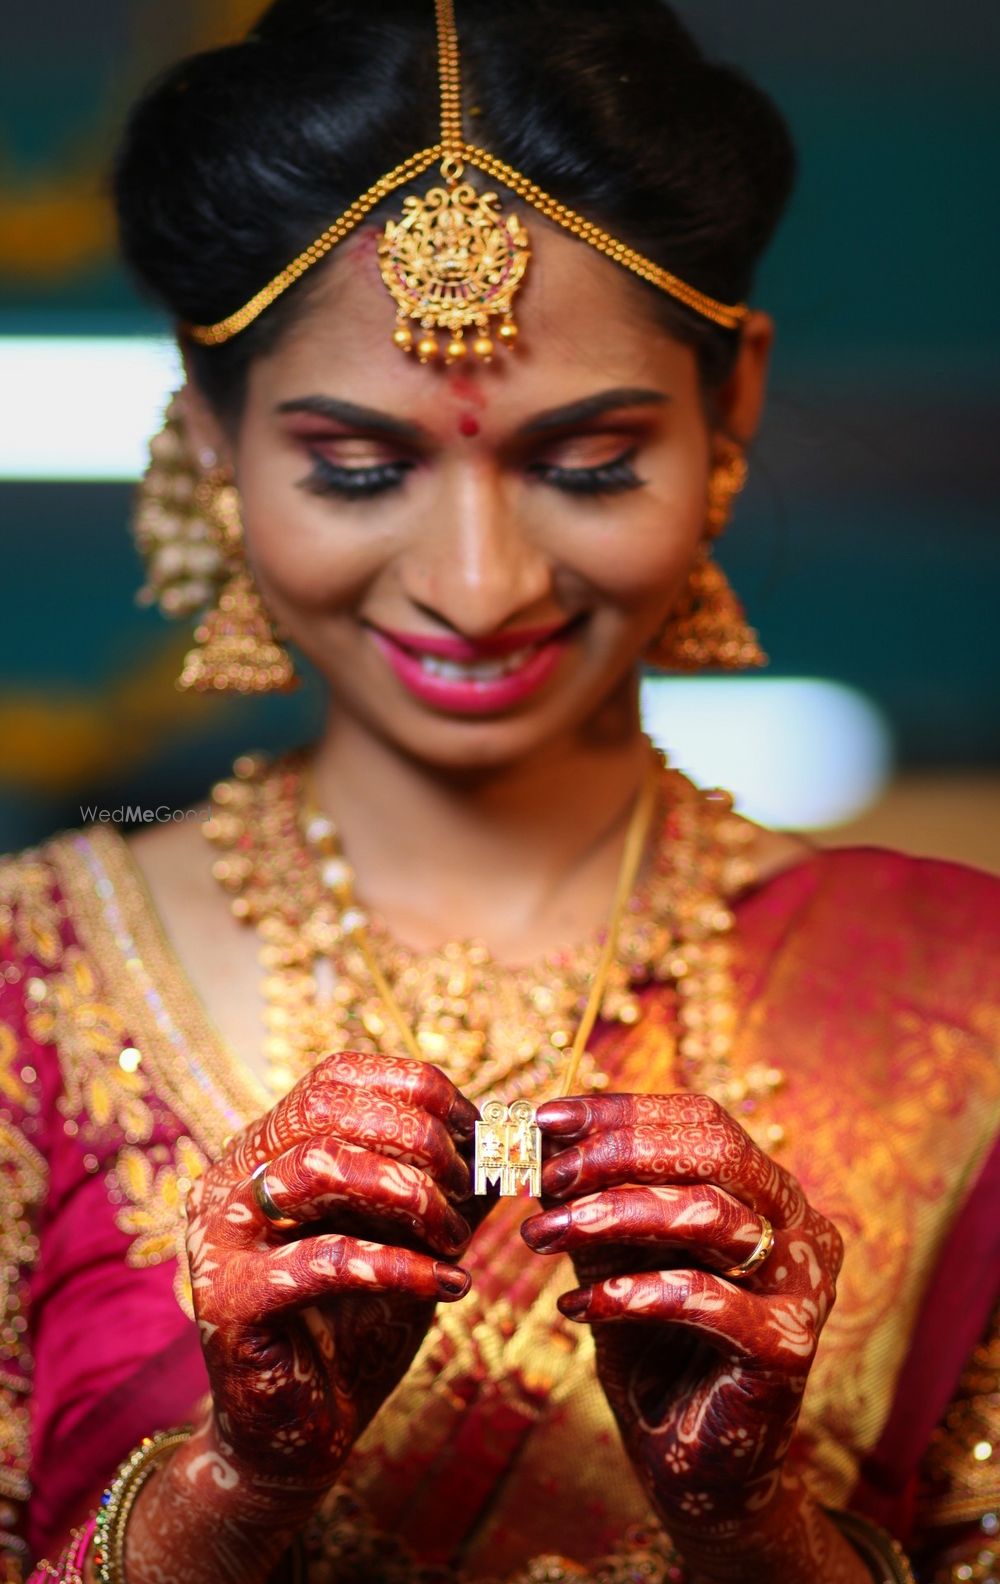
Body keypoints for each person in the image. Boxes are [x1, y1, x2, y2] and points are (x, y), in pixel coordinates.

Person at [0, 1, 996, 1580]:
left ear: (729, 407)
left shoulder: (966, 1000)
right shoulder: (20, 990)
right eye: (357, 466)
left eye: (586, 462)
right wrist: (228, 1492)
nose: (479, 583)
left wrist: (755, 1524)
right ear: (211, 438)